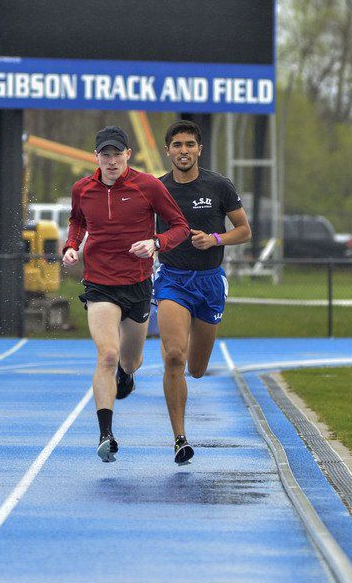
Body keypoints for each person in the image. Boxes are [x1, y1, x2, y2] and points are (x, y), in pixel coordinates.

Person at [62, 126, 190, 463]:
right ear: (96, 157)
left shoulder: (148, 186)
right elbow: (77, 221)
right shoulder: (82, 189)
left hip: (137, 285)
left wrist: (155, 243)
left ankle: (126, 373)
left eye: (117, 154)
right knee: (106, 354)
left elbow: (180, 227)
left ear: (128, 155)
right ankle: (106, 434)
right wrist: (72, 245)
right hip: (100, 284)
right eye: (106, 155)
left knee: (129, 359)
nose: (112, 160)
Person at [154, 120, 252, 465]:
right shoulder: (156, 189)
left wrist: (215, 239)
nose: (183, 151)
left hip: (209, 282)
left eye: (189, 145)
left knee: (196, 368)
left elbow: (244, 230)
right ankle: (180, 439)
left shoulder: (218, 185)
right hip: (172, 280)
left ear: (199, 149)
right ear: (168, 150)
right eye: (177, 145)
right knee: (173, 357)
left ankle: (189, 381)